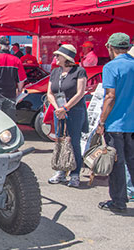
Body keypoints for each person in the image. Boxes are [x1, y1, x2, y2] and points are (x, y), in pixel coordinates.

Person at [96, 33, 134, 212]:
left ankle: (119, 202)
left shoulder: (111, 67)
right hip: (131, 123)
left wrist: (101, 121)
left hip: (116, 124)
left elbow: (110, 96)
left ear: (110, 47)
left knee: (117, 164)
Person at [47, 44, 88, 188]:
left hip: (74, 111)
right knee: (60, 141)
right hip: (59, 111)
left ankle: (75, 173)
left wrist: (66, 107)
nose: (55, 58)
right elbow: (49, 93)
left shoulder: (79, 71)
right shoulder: (55, 72)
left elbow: (80, 93)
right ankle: (61, 170)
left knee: (74, 142)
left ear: (66, 58)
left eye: (58, 55)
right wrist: (58, 108)